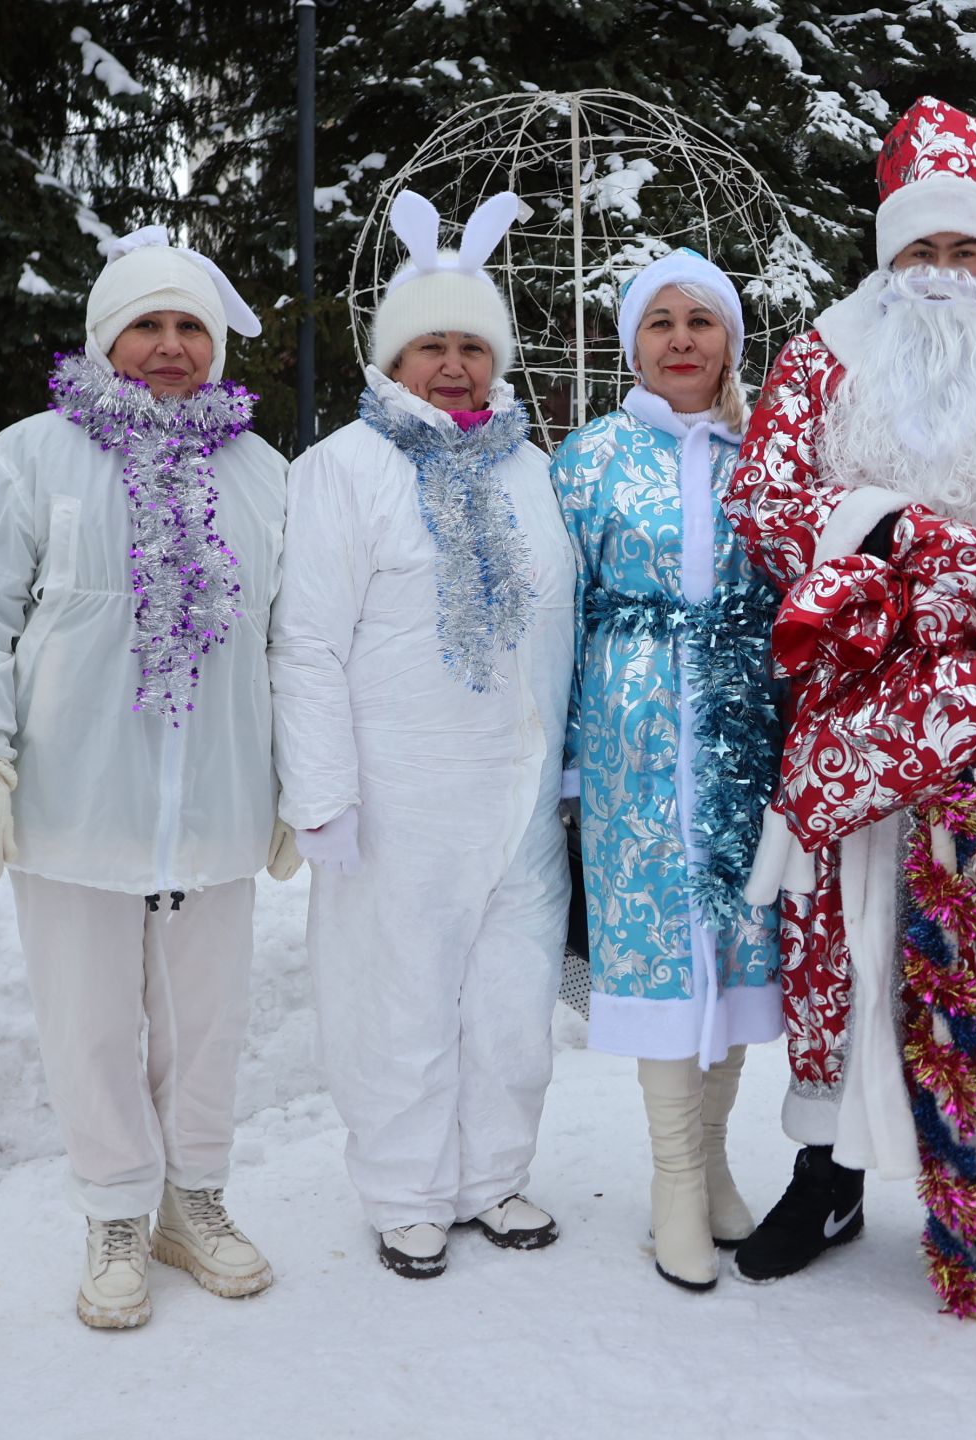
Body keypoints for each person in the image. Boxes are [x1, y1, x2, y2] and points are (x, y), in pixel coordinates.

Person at [721, 95, 976, 1310]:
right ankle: (825, 1167)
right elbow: (767, 496)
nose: (943, 275)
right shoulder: (824, 356)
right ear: (889, 258)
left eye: (967, 251)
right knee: (835, 937)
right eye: (922, 251)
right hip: (859, 692)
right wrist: (889, 553)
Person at [0, 229, 291, 1329]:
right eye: (148, 325)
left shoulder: (260, 474)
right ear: (104, 337)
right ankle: (117, 1210)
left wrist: (297, 786)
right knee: (88, 1022)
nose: (170, 348)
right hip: (76, 805)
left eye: (190, 328)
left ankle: (195, 1199)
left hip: (216, 808)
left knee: (209, 1021)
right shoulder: (31, 457)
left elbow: (291, 642)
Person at [268, 190, 574, 1279]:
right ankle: (404, 1189)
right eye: (430, 345)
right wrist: (323, 795)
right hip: (399, 794)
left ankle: (494, 1174)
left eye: (472, 346)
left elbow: (565, 626)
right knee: (395, 990)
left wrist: (571, 762)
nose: (453, 366)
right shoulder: (342, 470)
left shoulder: (534, 474)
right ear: (393, 358)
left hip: (521, 793)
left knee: (512, 995)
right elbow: (306, 645)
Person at [550, 249, 783, 1291]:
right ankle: (674, 1181)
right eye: (660, 322)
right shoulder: (590, 460)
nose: (682, 338)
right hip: (631, 736)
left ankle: (720, 1156)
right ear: (631, 344)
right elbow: (554, 618)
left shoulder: (767, 456)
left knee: (736, 943)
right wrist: (563, 760)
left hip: (740, 726)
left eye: (702, 320)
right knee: (655, 949)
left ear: (731, 340)